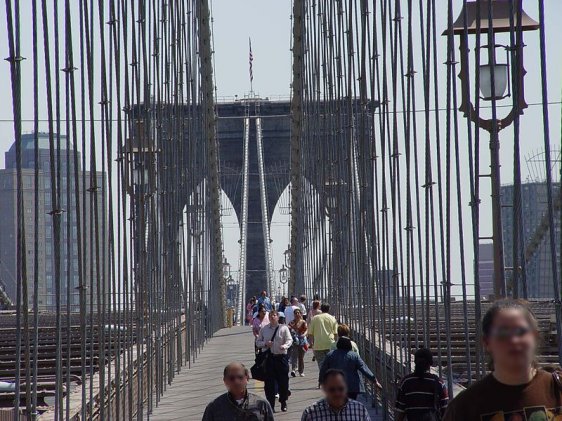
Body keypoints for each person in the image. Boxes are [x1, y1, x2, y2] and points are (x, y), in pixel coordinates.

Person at [444, 299, 562, 420]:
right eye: (503, 334)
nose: (514, 341)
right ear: (487, 342)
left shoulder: (558, 388)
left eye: (521, 332)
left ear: (535, 337)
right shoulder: (464, 407)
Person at [202, 362, 274, 421]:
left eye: (240, 377)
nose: (236, 381)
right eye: (232, 378)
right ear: (225, 381)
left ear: (247, 378)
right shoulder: (214, 406)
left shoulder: (261, 404)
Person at [395, 348, 448, 421]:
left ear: (415, 362)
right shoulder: (438, 383)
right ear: (430, 364)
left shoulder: (406, 382)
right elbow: (445, 412)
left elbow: (400, 412)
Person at [256, 309, 293, 413]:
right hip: (269, 359)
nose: (273, 317)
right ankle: (270, 405)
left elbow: (290, 340)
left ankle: (283, 401)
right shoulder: (264, 329)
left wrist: (285, 346)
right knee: (269, 384)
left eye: (275, 315)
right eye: (271, 315)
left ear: (278, 317)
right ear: (269, 317)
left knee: (283, 382)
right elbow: (258, 342)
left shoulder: (284, 328)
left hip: (281, 358)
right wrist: (265, 343)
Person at [301, 368, 371, 420]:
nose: (337, 393)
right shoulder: (310, 413)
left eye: (340, 389)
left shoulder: (359, 410)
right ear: (324, 389)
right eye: (332, 389)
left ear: (346, 387)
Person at [308, 303, 338, 368]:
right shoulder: (332, 318)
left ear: (321, 309)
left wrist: (311, 344)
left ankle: (323, 377)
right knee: (331, 365)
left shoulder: (315, 318)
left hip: (318, 344)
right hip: (330, 343)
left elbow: (310, 333)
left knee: (321, 365)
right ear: (329, 309)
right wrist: (335, 344)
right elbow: (335, 333)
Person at [288, 307, 308, 377]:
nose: (297, 314)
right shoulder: (291, 322)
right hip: (294, 341)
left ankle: (301, 371)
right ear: (294, 315)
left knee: (301, 357)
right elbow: (288, 330)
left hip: (302, 341)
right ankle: (293, 369)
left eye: (298, 313)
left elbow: (306, 330)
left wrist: (303, 335)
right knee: (294, 356)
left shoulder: (303, 322)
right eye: (295, 313)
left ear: (300, 314)